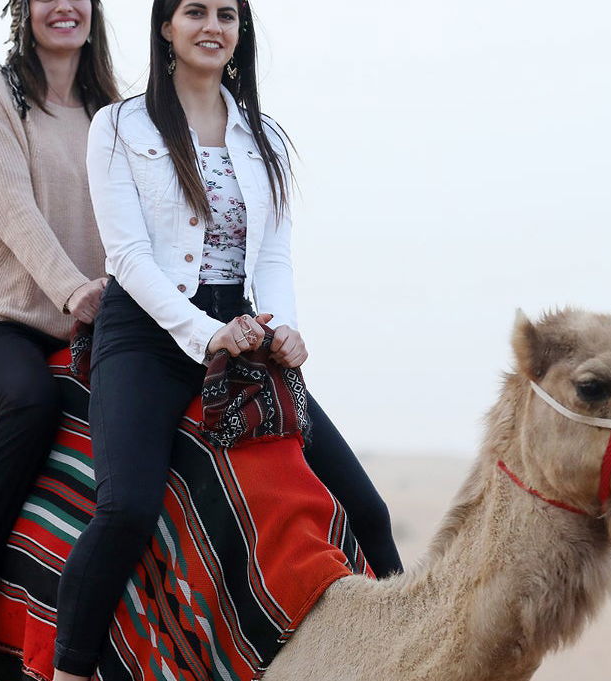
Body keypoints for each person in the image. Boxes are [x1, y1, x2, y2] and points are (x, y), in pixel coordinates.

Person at [52, 1, 403, 678]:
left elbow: (272, 256)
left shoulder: (262, 136)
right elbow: (126, 256)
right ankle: (68, 668)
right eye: (195, 12)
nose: (213, 26)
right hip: (145, 334)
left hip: (240, 333)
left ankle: (418, 657)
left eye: (227, 15)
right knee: (126, 508)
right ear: (166, 28)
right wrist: (208, 333)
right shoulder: (118, 126)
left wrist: (282, 327)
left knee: (367, 506)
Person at [0, 1, 119, 677]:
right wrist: (74, 289)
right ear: (25, 9)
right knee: (33, 402)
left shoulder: (115, 110)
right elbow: (14, 210)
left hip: (92, 318)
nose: (63, 6)